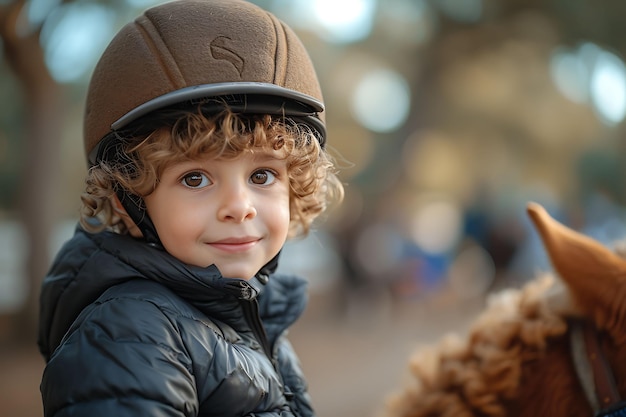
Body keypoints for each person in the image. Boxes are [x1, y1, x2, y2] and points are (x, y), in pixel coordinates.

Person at [37, 0, 344, 415]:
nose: (239, 208)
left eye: (262, 176)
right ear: (127, 202)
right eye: (194, 178)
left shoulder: (254, 318)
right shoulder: (130, 333)